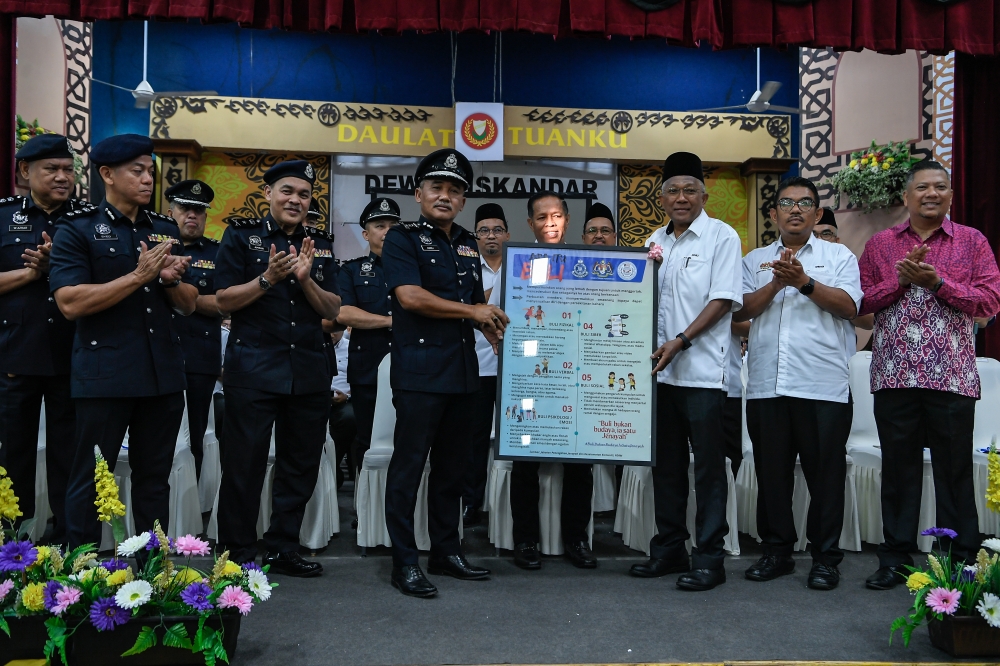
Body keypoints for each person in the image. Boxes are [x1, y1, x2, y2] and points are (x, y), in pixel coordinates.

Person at [50, 134, 197, 549]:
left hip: (161, 374)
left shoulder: (164, 229)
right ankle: (82, 570)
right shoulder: (77, 228)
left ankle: (154, 571)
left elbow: (189, 304)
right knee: (91, 478)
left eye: (150, 171)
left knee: (154, 480)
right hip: (106, 375)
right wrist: (138, 276)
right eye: (137, 171)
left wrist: (169, 281)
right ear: (107, 174)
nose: (148, 179)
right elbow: (69, 302)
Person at [858, 161, 1000, 590]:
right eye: (922, 187)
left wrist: (938, 283)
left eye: (940, 186)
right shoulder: (881, 244)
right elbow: (861, 303)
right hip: (894, 374)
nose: (931, 193)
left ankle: (960, 561)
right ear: (906, 196)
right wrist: (901, 282)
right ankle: (895, 559)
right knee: (898, 472)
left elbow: (989, 302)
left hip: (952, 377)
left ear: (951, 195)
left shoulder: (972, 241)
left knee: (954, 472)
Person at [381, 148, 508, 598]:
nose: (445, 196)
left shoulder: (468, 244)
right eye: (436, 187)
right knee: (408, 470)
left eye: (454, 190)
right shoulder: (402, 238)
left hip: (463, 373)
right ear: (419, 194)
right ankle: (404, 562)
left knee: (453, 471)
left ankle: (446, 551)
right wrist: (474, 311)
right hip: (419, 374)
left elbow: (475, 309)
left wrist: (494, 332)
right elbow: (411, 298)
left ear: (463, 200)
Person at [214, 160, 341, 576]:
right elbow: (223, 300)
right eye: (287, 191)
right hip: (253, 369)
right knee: (243, 465)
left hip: (308, 370)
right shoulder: (240, 236)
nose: (295, 200)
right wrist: (266, 278)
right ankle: (236, 552)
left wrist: (305, 279)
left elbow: (333, 310)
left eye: (304, 194)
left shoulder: (319, 243)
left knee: (299, 466)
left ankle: (282, 547)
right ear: (268, 193)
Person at [734, 176, 862, 591]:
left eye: (805, 203)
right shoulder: (755, 260)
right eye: (787, 204)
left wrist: (804, 282)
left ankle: (825, 558)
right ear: (773, 214)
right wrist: (777, 282)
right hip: (767, 385)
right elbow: (740, 312)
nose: (795, 210)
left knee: (826, 477)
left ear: (817, 213)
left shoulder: (838, 256)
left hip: (822, 385)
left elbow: (849, 307)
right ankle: (777, 552)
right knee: (772, 475)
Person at [630, 152, 742, 591]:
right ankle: (670, 548)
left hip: (702, 375)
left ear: (703, 196)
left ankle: (709, 558)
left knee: (709, 470)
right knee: (667, 467)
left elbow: (723, 300)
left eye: (689, 190)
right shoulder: (653, 241)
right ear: (661, 198)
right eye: (673, 191)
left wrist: (681, 340)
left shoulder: (721, 236)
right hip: (659, 375)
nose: (681, 198)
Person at [0, 134, 86, 543]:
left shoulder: (88, 220)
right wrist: (32, 273)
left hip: (74, 355)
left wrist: (60, 268)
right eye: (51, 169)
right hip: (16, 354)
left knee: (70, 457)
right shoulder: (3, 216)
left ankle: (70, 546)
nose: (62, 177)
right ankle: (12, 544)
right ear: (24, 171)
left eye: (68, 169)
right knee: (12, 455)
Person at [511, 190, 597, 571]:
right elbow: (500, 314)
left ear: (567, 220)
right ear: (530, 223)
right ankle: (526, 539)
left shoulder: (586, 264)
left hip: (573, 376)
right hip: (530, 377)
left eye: (557, 216)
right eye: (542, 217)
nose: (550, 223)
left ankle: (577, 538)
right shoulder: (519, 263)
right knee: (524, 459)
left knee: (579, 460)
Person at [337, 197, 398, 476]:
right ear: (366, 234)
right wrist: (391, 322)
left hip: (410, 367)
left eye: (392, 225)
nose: (387, 231)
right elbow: (345, 314)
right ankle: (365, 501)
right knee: (367, 440)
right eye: (379, 225)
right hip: (368, 370)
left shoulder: (415, 270)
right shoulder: (351, 270)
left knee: (409, 441)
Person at [165, 179, 221, 479]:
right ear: (170, 212)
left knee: (194, 436)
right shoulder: (153, 248)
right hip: (155, 354)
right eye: (185, 208)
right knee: (153, 435)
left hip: (199, 355)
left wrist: (180, 295)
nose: (192, 215)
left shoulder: (218, 253)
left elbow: (226, 303)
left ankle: (191, 502)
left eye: (199, 210)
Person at [462, 203, 509, 527]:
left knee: (514, 434)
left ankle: (508, 502)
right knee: (474, 439)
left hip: (515, 367)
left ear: (507, 234)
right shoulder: (466, 267)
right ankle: (472, 502)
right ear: (476, 236)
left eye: (497, 230)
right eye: (484, 231)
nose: (491, 236)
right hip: (478, 363)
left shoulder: (523, 265)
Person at [328, 328, 356, 487]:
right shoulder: (313, 346)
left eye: (336, 330)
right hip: (317, 397)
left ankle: (333, 463)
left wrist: (348, 395)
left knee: (350, 418)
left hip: (345, 400)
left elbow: (360, 379)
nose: (332, 334)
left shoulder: (351, 348)